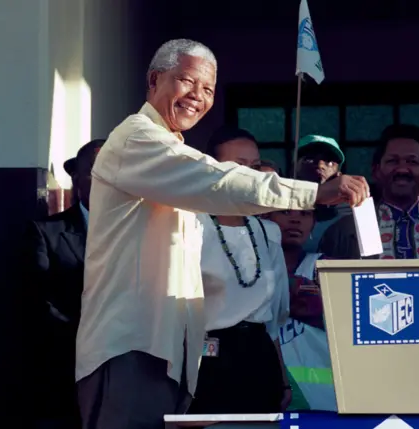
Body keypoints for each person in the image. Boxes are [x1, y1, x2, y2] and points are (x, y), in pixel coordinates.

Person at [74, 38, 368, 429]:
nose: (197, 96)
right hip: (132, 345)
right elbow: (217, 181)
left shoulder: (171, 154)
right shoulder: (138, 139)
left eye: (208, 89)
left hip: (172, 353)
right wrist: (312, 191)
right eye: (187, 81)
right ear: (154, 79)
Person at [189, 126, 292, 414]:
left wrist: (283, 380)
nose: (250, 175)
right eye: (238, 166)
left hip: (260, 360)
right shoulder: (192, 225)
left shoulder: (268, 231)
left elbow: (272, 320)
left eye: (256, 166)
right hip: (208, 360)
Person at [21, 139, 105, 429]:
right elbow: (39, 302)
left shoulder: (148, 232)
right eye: (96, 171)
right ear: (77, 178)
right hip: (68, 371)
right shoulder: (46, 233)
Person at [319, 124, 419, 260]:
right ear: (376, 170)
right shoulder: (342, 232)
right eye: (393, 161)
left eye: (412, 162)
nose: (402, 169)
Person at [267, 208, 336, 412]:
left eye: (305, 214)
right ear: (264, 217)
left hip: (320, 403)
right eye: (285, 212)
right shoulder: (246, 269)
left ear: (314, 223)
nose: (295, 220)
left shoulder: (324, 267)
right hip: (263, 394)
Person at [294, 134, 352, 253]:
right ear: (293, 169)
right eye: (309, 159)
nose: (320, 165)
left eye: (329, 162)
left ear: (339, 175)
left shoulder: (351, 214)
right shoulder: (280, 212)